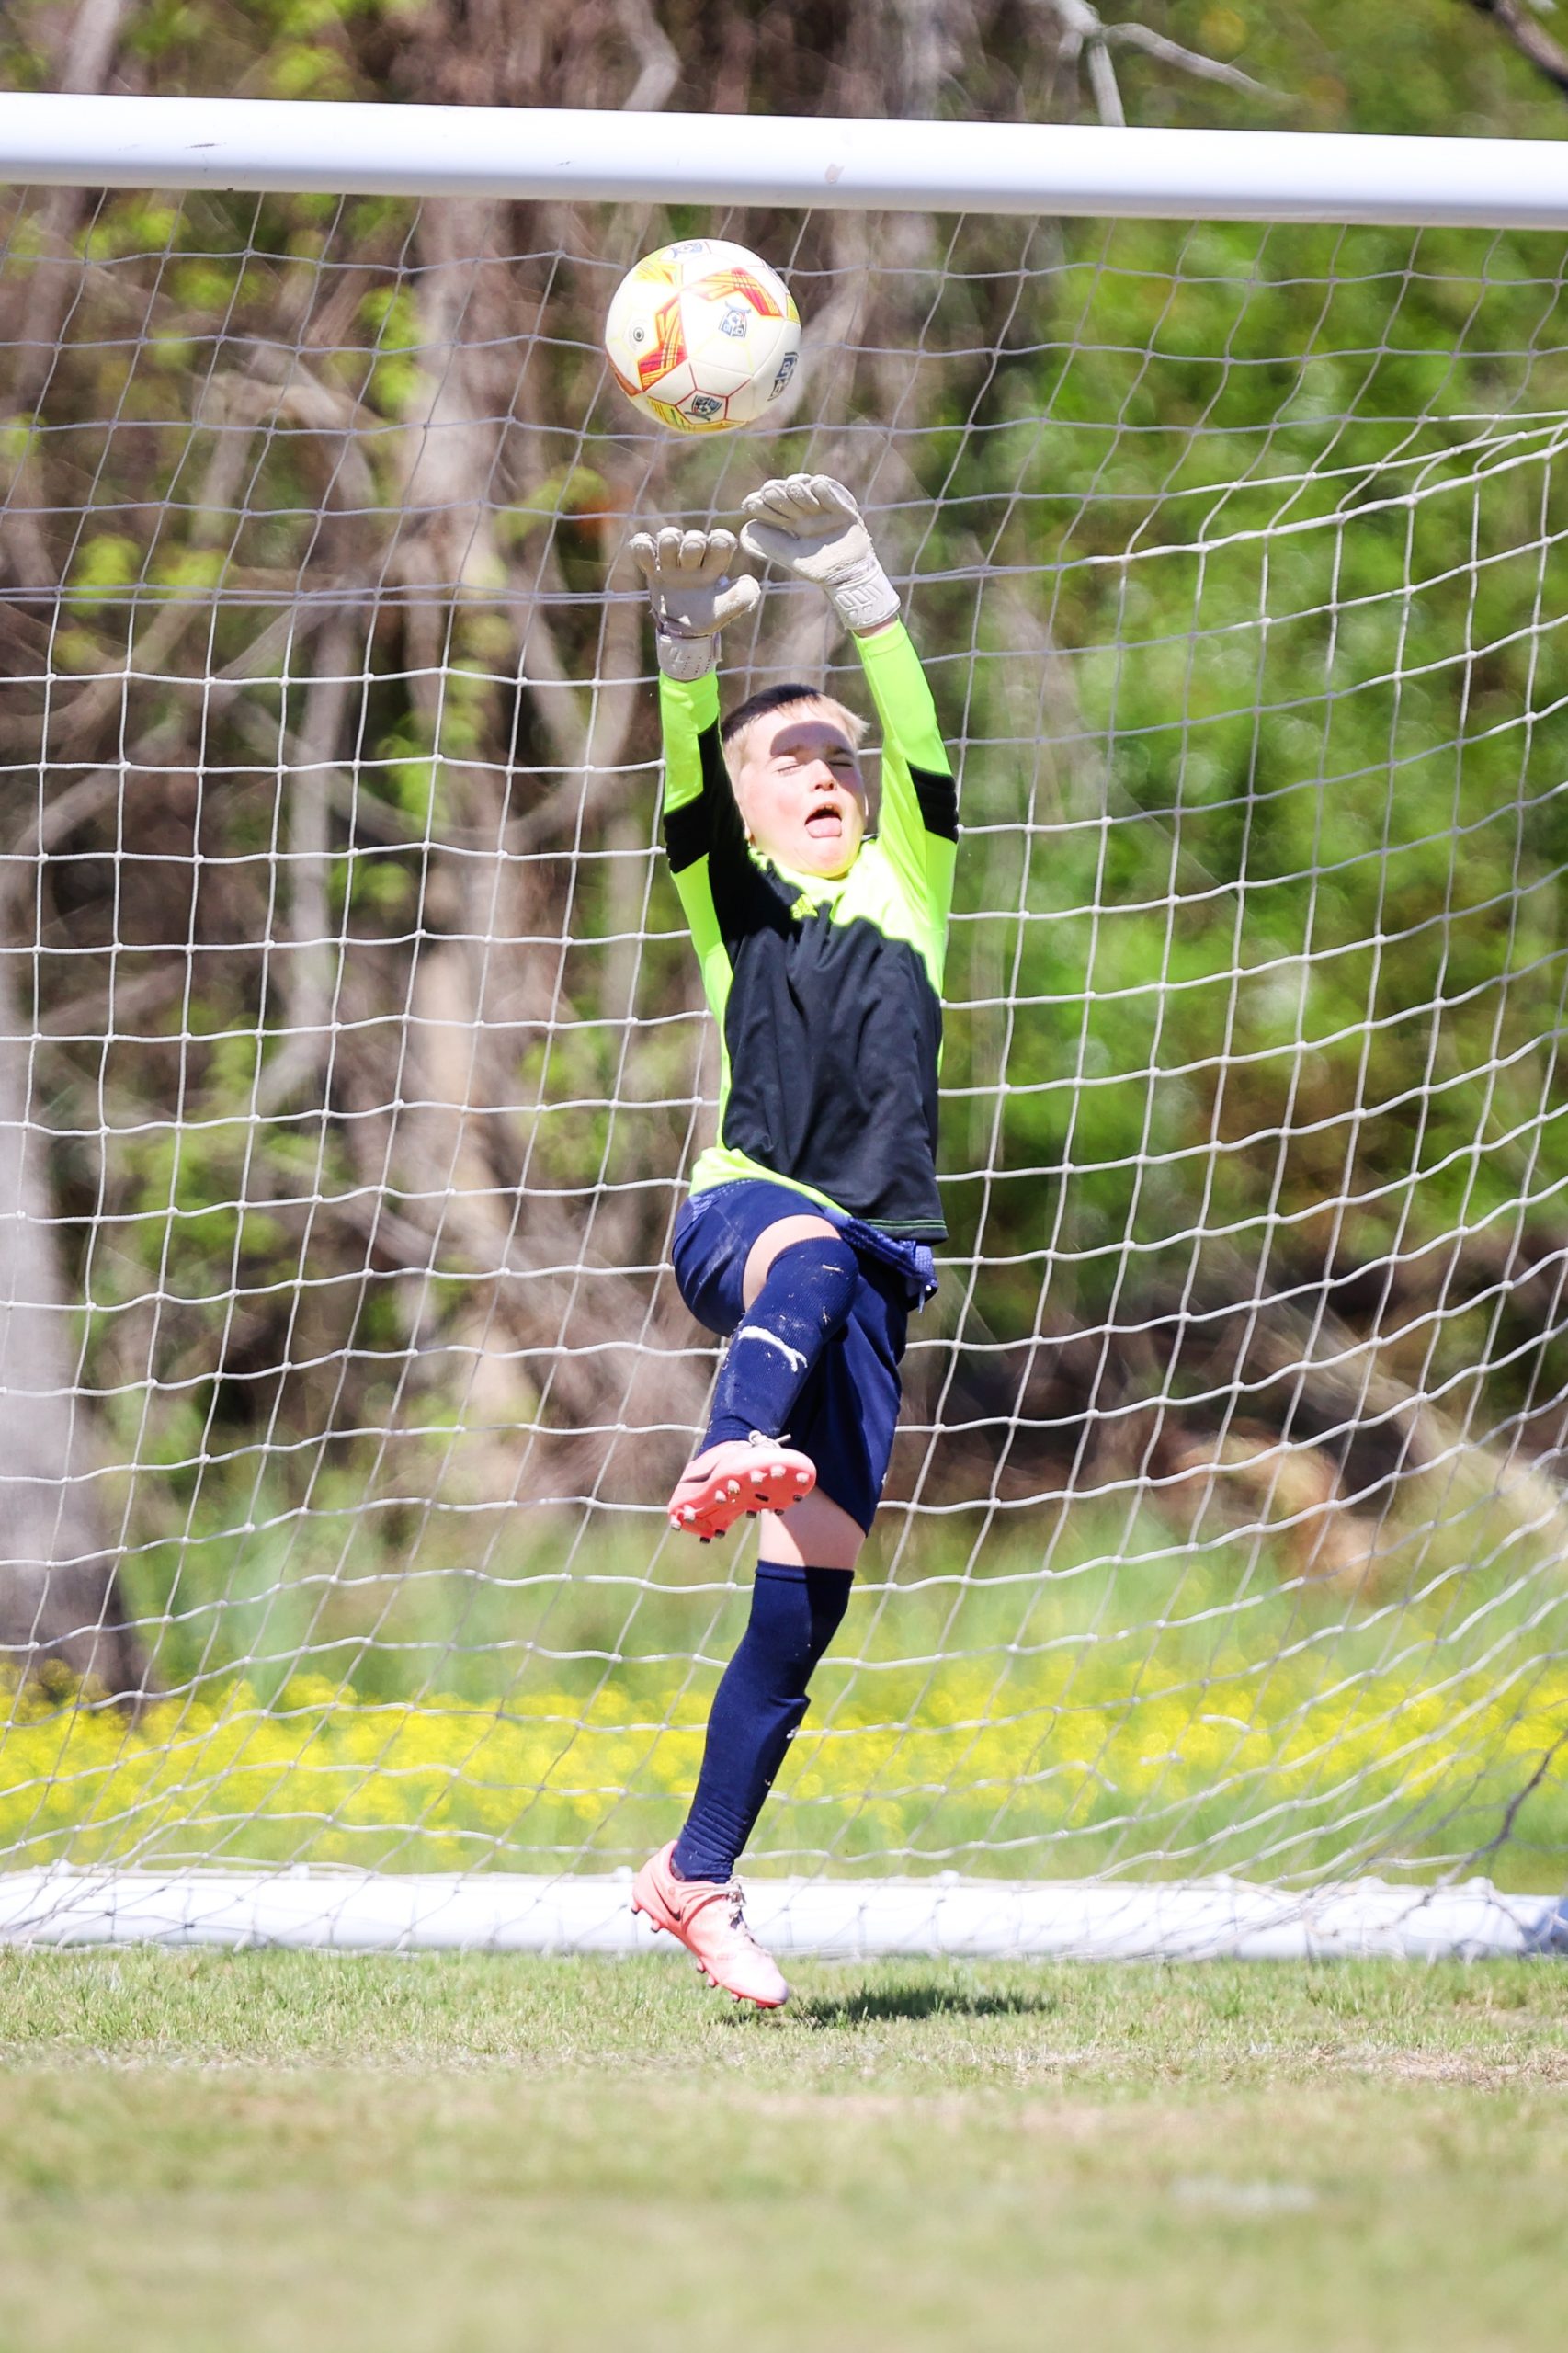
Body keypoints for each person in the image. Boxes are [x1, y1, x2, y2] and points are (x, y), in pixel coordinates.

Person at [626, 476, 958, 2006]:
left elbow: (930, 750)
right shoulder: (730, 907)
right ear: (747, 806)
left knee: (804, 1605)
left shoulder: (910, 891)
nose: (823, 768)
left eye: (839, 754)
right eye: (788, 758)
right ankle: (726, 1445)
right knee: (812, 1252)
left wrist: (863, 589)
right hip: (746, 1222)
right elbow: (681, 790)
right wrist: (689, 649)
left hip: (875, 1271)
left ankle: (693, 1879)